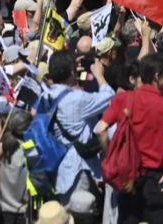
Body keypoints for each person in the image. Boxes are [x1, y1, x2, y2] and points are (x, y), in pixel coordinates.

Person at [96, 53, 163, 224]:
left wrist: (111, 156)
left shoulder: (123, 99)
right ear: (157, 76)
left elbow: (100, 129)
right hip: (157, 179)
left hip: (128, 177)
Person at [41, 49, 114, 203]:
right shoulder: (76, 99)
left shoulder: (45, 96)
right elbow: (110, 98)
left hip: (57, 166)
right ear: (72, 72)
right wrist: (99, 75)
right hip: (78, 170)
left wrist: (76, 78)